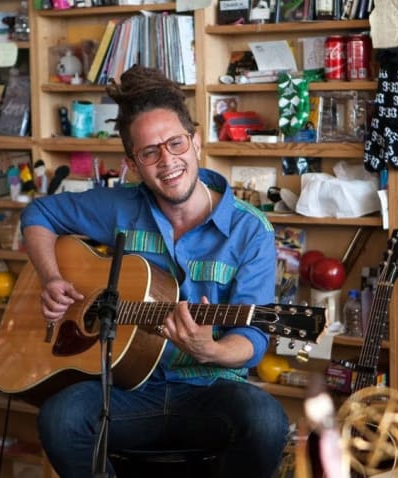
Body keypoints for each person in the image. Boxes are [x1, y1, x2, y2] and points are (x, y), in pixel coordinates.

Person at [20, 64, 289, 477]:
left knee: (267, 422)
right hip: (128, 390)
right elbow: (38, 213)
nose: (168, 161)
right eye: (150, 152)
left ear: (195, 142)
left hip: (211, 393)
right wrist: (52, 277)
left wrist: (210, 350)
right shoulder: (121, 206)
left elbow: (252, 337)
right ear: (133, 163)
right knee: (60, 418)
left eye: (176, 143)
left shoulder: (250, 230)